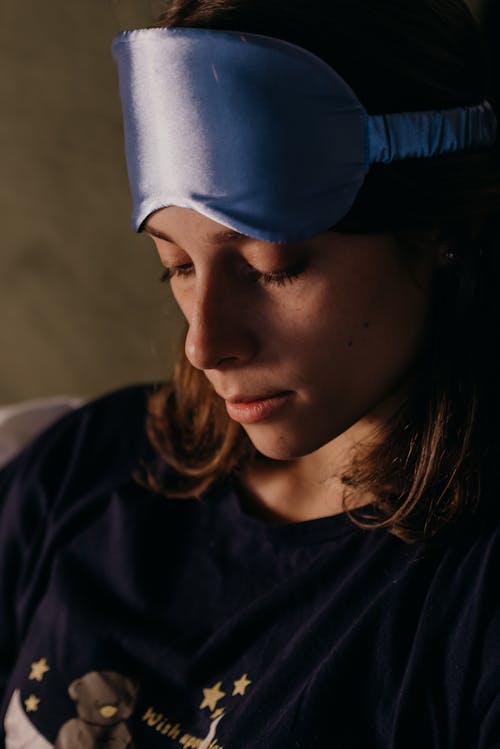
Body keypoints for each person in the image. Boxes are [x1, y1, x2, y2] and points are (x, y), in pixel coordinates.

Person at [1, 0, 500, 746]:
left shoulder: (468, 608)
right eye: (174, 264)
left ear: (433, 231)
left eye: (271, 268)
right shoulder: (85, 466)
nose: (204, 345)